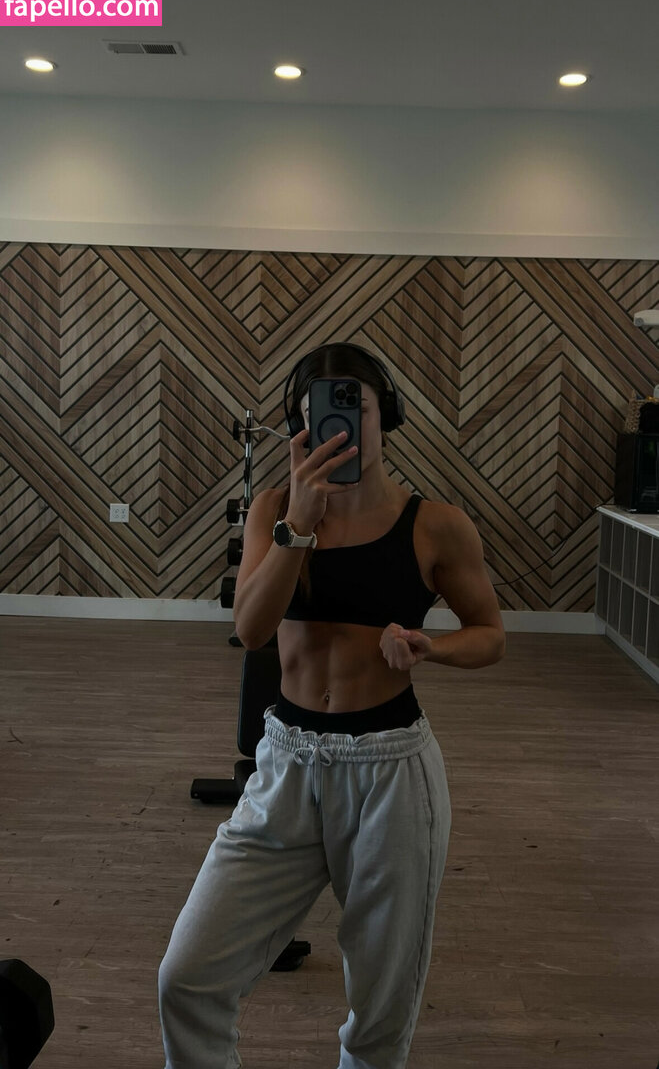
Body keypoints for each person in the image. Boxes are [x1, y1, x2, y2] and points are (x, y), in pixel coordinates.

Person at [158, 342, 506, 1069]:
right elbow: (252, 630)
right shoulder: (274, 510)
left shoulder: (436, 524)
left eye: (358, 407)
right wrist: (299, 525)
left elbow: (488, 635)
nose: (342, 426)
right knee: (187, 977)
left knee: (379, 1008)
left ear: (387, 416)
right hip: (285, 763)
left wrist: (430, 647)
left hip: (390, 773)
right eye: (321, 411)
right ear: (300, 425)